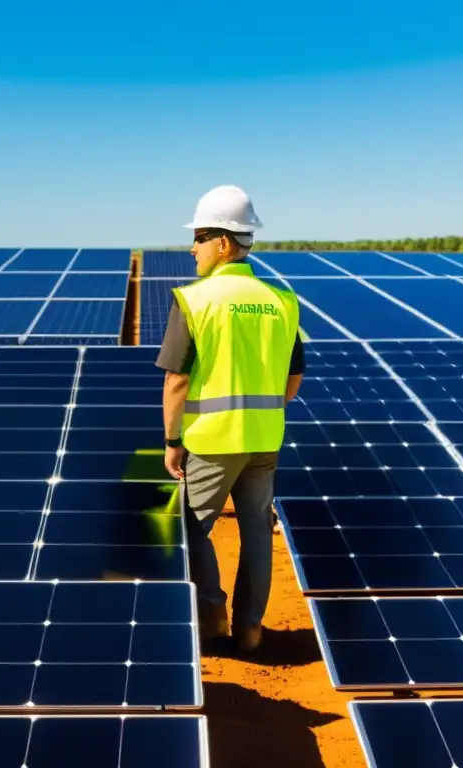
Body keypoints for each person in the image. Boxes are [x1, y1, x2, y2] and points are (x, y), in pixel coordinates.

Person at [154, 185, 306, 652]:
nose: (192, 248)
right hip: (265, 440)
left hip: (214, 441)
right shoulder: (282, 301)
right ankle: (251, 630)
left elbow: (177, 382)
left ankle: (215, 616)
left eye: (199, 237)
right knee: (257, 532)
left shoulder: (195, 300)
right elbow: (293, 379)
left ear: (224, 242)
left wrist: (172, 440)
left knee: (194, 528)